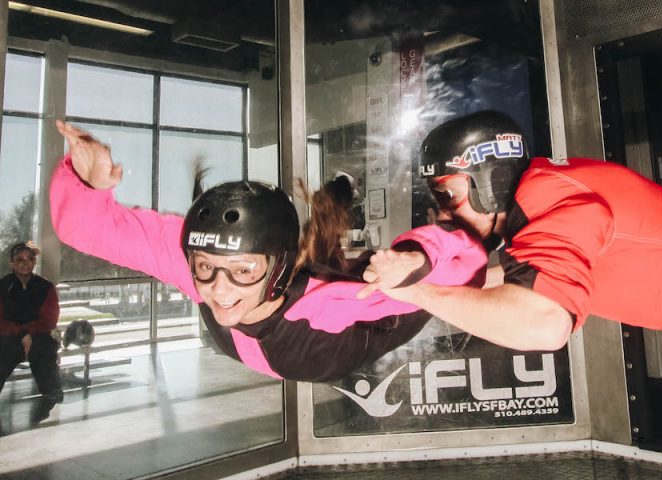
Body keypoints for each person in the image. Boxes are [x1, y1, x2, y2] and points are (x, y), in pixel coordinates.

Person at [50, 121, 488, 382]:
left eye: (242, 271)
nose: (219, 290)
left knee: (380, 272)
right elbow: (89, 229)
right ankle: (338, 196)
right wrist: (85, 182)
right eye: (206, 268)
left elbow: (463, 265)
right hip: (301, 299)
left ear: (275, 269)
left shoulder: (330, 306)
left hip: (353, 329)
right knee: (324, 250)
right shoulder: (196, 268)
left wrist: (418, 256)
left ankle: (342, 196)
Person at [359, 110, 662, 351]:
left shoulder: (548, 200)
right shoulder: (545, 190)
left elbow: (544, 324)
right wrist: (428, 279)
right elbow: (523, 275)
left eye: (448, 194)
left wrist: (416, 293)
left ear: (490, 180)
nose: (443, 213)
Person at [0, 242, 63, 422]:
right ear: (12, 263)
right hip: (9, 339)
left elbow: (50, 319)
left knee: (44, 353)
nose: (25, 263)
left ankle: (51, 393)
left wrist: (28, 332)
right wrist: (21, 333)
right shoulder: (2, 287)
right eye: (19, 260)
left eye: (29, 259)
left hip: (38, 338)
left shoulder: (45, 287)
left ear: (34, 262)